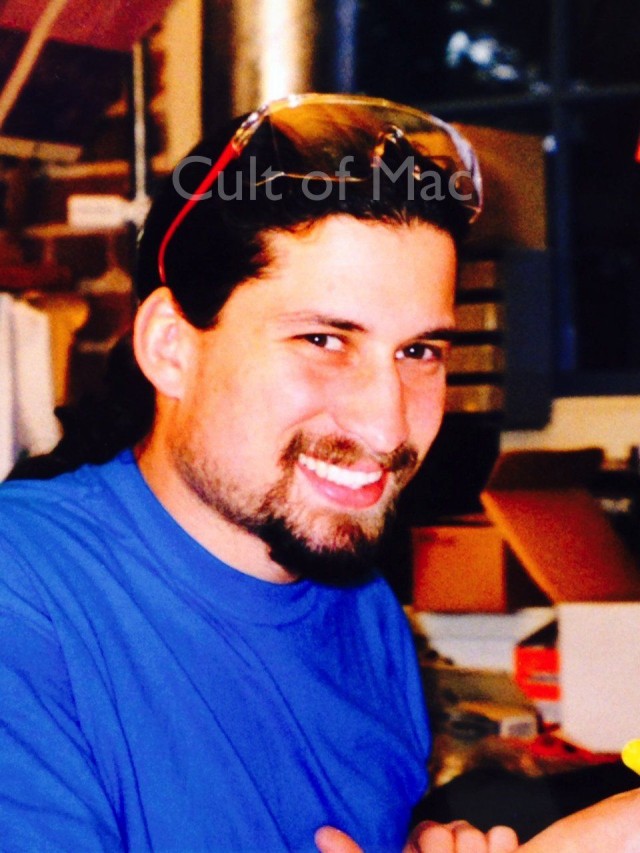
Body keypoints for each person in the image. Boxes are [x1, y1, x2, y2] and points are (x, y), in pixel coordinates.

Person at [0, 93, 637, 853]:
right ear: (172, 346)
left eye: (418, 352)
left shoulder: (363, 609)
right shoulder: (24, 594)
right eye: (324, 341)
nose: (387, 426)